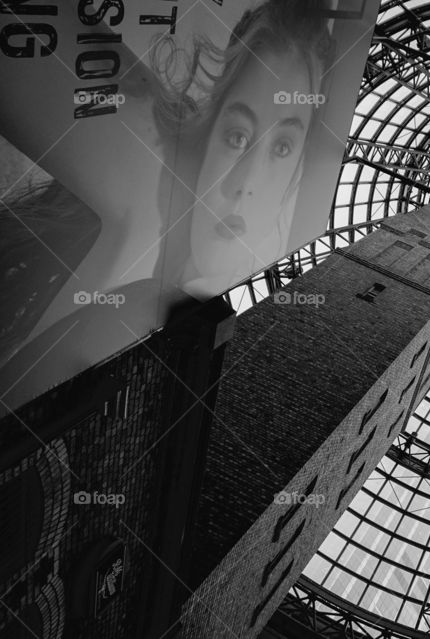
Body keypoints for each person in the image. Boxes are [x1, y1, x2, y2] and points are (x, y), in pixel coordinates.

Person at [0, 0, 337, 405]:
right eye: (236, 137)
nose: (245, 184)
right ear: (210, 129)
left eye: (282, 147)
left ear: (298, 169)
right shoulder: (154, 165)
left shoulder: (183, 329)